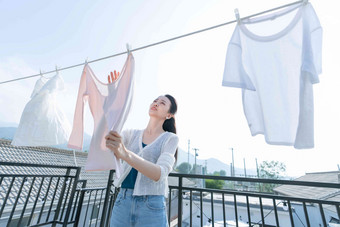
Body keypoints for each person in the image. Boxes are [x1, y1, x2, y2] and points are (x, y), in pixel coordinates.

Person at [105, 94, 179, 227]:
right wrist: (113, 101)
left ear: (169, 115)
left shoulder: (170, 138)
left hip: (151, 205)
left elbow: (159, 174)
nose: (156, 103)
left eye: (162, 103)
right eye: (155, 100)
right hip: (123, 200)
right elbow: (107, 139)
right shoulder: (131, 134)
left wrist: (126, 154)